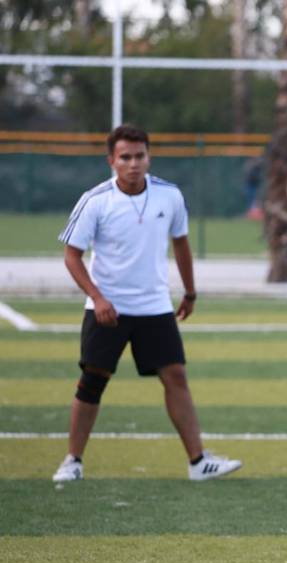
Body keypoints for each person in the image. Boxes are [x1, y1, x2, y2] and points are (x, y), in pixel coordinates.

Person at [50, 124, 242, 484]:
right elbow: (72, 256)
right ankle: (72, 460)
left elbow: (181, 244)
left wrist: (189, 291)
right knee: (93, 379)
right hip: (107, 308)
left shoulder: (169, 196)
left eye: (140, 156)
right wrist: (97, 297)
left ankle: (198, 461)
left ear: (148, 157)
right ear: (112, 160)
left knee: (176, 376)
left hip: (155, 306)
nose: (133, 164)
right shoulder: (95, 200)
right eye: (125, 157)